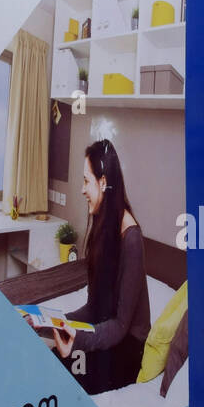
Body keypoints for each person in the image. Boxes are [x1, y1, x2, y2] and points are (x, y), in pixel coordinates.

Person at [41, 138, 151, 394]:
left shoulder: (131, 238)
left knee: (61, 379)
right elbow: (94, 309)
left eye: (86, 181)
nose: (81, 189)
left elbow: (121, 326)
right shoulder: (103, 226)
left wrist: (79, 340)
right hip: (106, 332)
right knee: (50, 363)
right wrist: (52, 322)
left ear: (103, 182)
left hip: (126, 348)